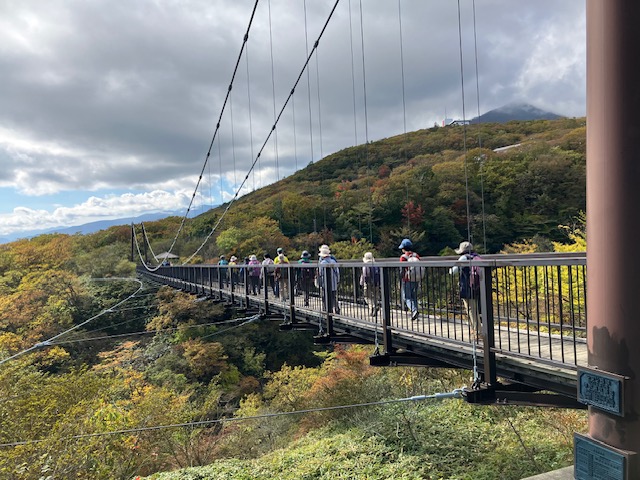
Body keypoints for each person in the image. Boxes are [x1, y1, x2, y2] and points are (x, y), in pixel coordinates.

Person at [450, 241, 482, 340]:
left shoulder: (464, 258)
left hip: (467, 287)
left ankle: (477, 332)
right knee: (474, 309)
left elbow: (453, 271)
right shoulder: (477, 257)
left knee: (470, 310)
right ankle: (476, 330)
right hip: (477, 286)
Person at [399, 238, 420, 321]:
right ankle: (416, 311)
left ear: (403, 248)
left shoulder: (403, 257)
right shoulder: (416, 255)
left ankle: (414, 311)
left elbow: (402, 270)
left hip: (407, 279)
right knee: (414, 297)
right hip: (416, 279)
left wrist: (401, 279)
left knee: (407, 297)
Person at [317, 244, 340, 314]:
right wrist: (337, 281)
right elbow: (337, 272)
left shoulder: (322, 263)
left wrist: (319, 282)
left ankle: (326, 309)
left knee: (325, 297)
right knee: (333, 296)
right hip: (333, 282)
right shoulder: (333, 261)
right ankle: (336, 308)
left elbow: (320, 274)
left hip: (325, 283)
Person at [360, 252, 380, 317]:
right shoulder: (376, 264)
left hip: (368, 282)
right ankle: (375, 306)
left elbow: (364, 274)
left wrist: (362, 283)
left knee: (367, 296)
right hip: (376, 282)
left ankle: (372, 307)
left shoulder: (365, 265)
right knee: (375, 296)